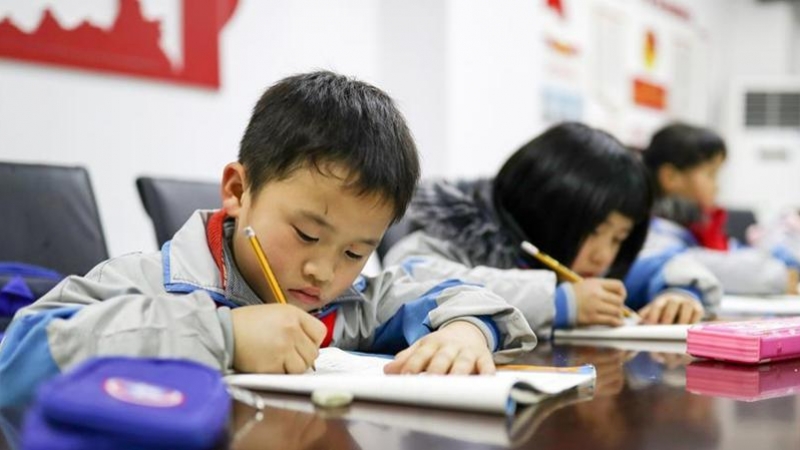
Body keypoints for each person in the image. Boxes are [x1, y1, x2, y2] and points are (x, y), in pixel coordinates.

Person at [0, 71, 536, 406]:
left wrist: (468, 331)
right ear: (237, 189)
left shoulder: (346, 305)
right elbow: (16, 360)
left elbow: (452, 294)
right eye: (306, 233)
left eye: (356, 251)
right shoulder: (141, 282)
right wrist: (223, 334)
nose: (324, 272)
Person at [384, 122, 721, 337]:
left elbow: (660, 262)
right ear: (549, 212)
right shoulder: (447, 235)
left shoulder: (584, 262)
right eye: (593, 232)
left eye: (618, 238)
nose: (604, 254)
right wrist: (557, 302)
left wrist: (679, 294)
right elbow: (406, 285)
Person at [643, 123, 799, 295]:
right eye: (711, 174)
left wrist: (782, 260)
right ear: (670, 177)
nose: (717, 187)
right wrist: (780, 275)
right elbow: (686, 264)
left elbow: (733, 251)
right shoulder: (655, 231)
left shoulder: (701, 226)